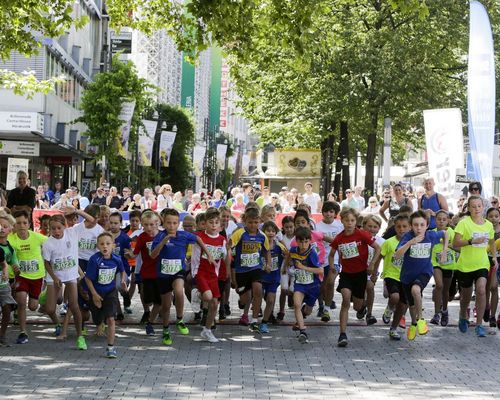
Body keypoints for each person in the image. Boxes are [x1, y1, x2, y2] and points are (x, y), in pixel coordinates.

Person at [150, 208, 215, 345]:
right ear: (164, 222)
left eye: (174, 223)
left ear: (178, 223)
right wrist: (164, 241)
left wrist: (208, 253)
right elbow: (153, 255)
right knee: (166, 306)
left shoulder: (183, 235)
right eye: (168, 223)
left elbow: (198, 238)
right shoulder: (160, 236)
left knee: (179, 291)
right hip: (163, 275)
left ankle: (180, 319)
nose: (171, 226)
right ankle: (166, 331)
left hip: (178, 271)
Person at [42, 207, 93, 349]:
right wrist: (54, 277)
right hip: (55, 276)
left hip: (70, 275)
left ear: (64, 226)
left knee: (74, 305)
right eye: (53, 229)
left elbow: (91, 220)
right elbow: (46, 263)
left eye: (59, 228)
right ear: (50, 229)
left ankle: (80, 337)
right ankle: (58, 323)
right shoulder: (48, 243)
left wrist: (76, 211)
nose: (57, 231)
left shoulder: (72, 232)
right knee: (50, 309)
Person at [329, 207, 380, 347]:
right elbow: (331, 254)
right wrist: (332, 266)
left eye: (352, 220)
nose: (350, 223)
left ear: (356, 221)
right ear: (342, 221)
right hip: (346, 274)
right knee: (345, 299)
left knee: (357, 307)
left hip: (361, 274)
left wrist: (372, 264)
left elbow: (378, 248)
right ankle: (342, 334)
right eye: (347, 220)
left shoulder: (362, 234)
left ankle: (362, 307)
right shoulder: (339, 237)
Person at [394, 210, 448, 341]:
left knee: (416, 290)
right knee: (411, 305)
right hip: (407, 276)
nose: (419, 228)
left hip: (424, 271)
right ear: (411, 226)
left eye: (422, 225)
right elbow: (397, 255)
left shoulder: (431, 236)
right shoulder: (407, 237)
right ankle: (413, 323)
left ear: (427, 225)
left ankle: (421, 319)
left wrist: (445, 250)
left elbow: (445, 233)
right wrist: (410, 243)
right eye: (416, 225)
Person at [453, 196, 496, 337]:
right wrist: (472, 241)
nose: (476, 209)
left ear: (483, 207)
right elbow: (455, 244)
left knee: (482, 290)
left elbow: (492, 242)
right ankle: (462, 315)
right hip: (465, 265)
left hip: (482, 263)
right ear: (469, 208)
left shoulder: (488, 225)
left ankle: (479, 325)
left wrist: (494, 257)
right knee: (465, 297)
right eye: (473, 206)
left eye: (479, 206)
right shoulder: (464, 223)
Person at [191, 208, 230, 342]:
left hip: (214, 274)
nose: (213, 225)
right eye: (210, 222)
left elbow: (224, 257)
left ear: (220, 225)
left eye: (216, 222)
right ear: (205, 223)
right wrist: (194, 272)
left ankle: (207, 331)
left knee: (214, 303)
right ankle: (197, 293)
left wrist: (226, 271)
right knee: (208, 296)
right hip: (201, 272)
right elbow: (195, 257)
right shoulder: (200, 237)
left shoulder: (222, 240)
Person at [85, 232, 127, 358]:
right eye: (102, 244)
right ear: (97, 246)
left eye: (108, 244)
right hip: (96, 292)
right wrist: (94, 294)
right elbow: (88, 279)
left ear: (113, 245)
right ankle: (99, 323)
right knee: (97, 319)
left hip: (110, 292)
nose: (105, 246)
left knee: (111, 319)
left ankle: (110, 347)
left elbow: (122, 271)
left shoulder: (116, 259)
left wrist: (123, 281)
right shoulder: (94, 260)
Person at [9, 210, 48, 344]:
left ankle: (43, 298)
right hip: (21, 276)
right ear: (14, 225)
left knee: (32, 306)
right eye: (18, 223)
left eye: (24, 223)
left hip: (37, 277)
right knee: (21, 301)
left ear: (29, 224)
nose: (21, 225)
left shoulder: (37, 237)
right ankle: (23, 332)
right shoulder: (11, 239)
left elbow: (53, 244)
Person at [230, 207, 271, 332]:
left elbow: (266, 251)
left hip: (255, 268)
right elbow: (228, 246)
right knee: (245, 298)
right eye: (250, 222)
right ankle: (243, 303)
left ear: (260, 221)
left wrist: (268, 264)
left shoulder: (262, 236)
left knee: (258, 290)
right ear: (244, 222)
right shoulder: (239, 233)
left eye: (256, 222)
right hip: (241, 271)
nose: (253, 225)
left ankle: (254, 321)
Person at [126, 211, 162, 336]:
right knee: (148, 300)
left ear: (157, 223)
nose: (149, 228)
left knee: (159, 302)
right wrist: (129, 254)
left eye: (151, 224)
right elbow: (135, 253)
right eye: (145, 225)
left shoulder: (162, 235)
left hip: (160, 273)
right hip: (146, 272)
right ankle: (148, 314)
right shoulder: (142, 237)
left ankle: (150, 323)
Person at [286, 226, 323, 344]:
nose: (303, 244)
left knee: (308, 311)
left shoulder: (312, 253)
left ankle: (303, 314)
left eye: (306, 241)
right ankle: (303, 331)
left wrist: (303, 267)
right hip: (300, 284)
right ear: (296, 241)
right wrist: (285, 267)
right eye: (301, 241)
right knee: (296, 304)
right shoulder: (293, 250)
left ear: (310, 241)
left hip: (313, 286)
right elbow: (289, 256)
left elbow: (320, 271)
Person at [376, 214, 411, 339]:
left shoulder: (412, 242)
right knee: (395, 297)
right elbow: (379, 257)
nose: (401, 229)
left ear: (410, 227)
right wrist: (375, 272)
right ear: (394, 228)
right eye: (398, 227)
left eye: (404, 226)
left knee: (402, 305)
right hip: (391, 275)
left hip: (407, 277)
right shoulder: (389, 242)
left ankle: (393, 328)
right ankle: (389, 308)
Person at [315, 201, 343, 322]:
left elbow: (342, 243)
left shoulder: (339, 226)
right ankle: (321, 305)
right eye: (326, 211)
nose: (328, 214)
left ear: (335, 213)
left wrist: (343, 261)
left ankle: (327, 309)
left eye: (331, 212)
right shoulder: (317, 226)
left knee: (330, 282)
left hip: (334, 258)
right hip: (320, 260)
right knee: (321, 286)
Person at [429, 210, 456, 326]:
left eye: (444, 219)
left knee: (445, 290)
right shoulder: (431, 232)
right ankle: (436, 314)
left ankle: (444, 310)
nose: (441, 221)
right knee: (439, 285)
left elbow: (458, 246)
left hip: (449, 264)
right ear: (435, 220)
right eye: (439, 219)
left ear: (448, 221)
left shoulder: (452, 232)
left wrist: (447, 245)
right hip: (435, 263)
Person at [260, 221, 286, 333]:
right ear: (263, 232)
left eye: (273, 231)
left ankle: (264, 322)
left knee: (270, 300)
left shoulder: (279, 246)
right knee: (257, 296)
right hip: (260, 277)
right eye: (268, 231)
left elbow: (289, 255)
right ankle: (254, 318)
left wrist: (285, 264)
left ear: (276, 233)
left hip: (274, 277)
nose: (270, 233)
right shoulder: (259, 245)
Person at [362, 215, 385, 325]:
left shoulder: (382, 242)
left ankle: (369, 313)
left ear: (379, 228)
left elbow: (383, 259)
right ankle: (362, 306)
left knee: (370, 288)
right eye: (369, 226)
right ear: (364, 226)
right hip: (358, 270)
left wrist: (377, 272)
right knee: (361, 292)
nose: (372, 229)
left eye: (375, 226)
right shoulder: (359, 238)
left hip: (372, 271)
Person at [0, 214, 18, 345]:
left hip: (4, 284)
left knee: (7, 310)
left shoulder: (10, 248)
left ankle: (2, 334)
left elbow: (13, 261)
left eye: (5, 227)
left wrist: (16, 267)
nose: (1, 229)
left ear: (10, 230)